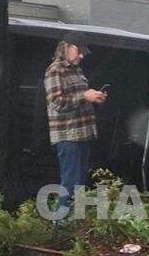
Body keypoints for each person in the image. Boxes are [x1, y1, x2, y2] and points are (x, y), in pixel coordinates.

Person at [44, 31, 107, 215]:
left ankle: (75, 221)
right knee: (70, 181)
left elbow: (79, 98)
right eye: (79, 51)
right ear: (67, 48)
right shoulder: (55, 70)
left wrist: (94, 97)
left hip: (82, 133)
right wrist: (84, 96)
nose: (81, 56)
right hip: (67, 135)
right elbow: (56, 102)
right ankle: (61, 222)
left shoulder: (76, 70)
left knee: (80, 182)